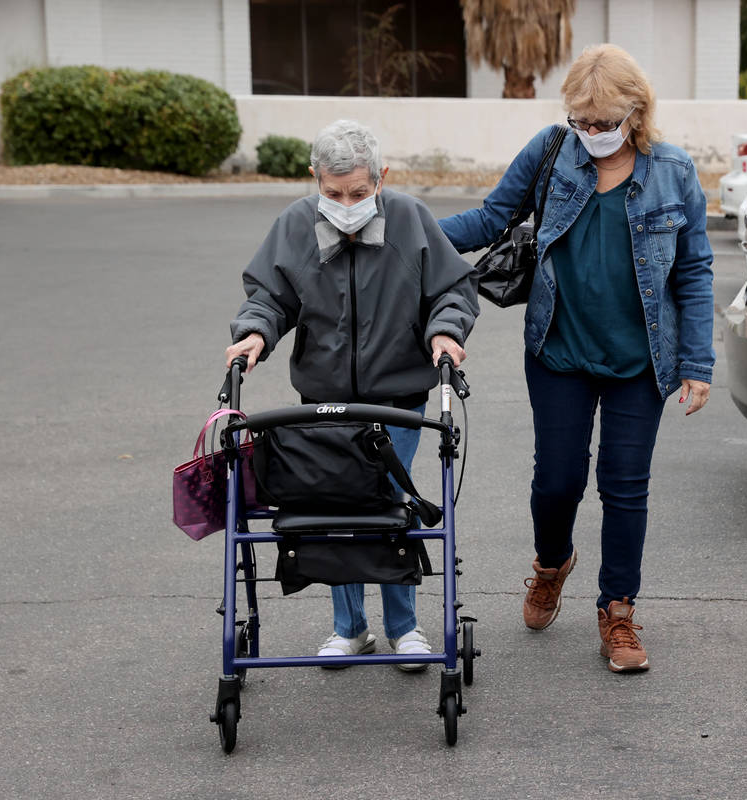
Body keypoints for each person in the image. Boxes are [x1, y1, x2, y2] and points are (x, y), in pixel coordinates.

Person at [439, 44, 714, 673]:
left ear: (635, 114)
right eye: (580, 122)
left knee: (624, 487)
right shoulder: (550, 151)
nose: (590, 133)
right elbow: (490, 218)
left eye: (603, 123)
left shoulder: (673, 172)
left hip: (639, 361)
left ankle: (617, 611)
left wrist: (697, 362)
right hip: (558, 349)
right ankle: (550, 564)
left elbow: (694, 272)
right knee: (558, 479)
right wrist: (403, 229)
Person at [225, 119, 480, 667]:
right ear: (314, 177)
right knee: (333, 507)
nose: (345, 204)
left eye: (359, 193)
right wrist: (254, 333)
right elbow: (270, 296)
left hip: (399, 400)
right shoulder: (295, 224)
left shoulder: (411, 220)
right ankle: (350, 627)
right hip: (322, 403)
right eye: (333, 193)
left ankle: (405, 629)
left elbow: (452, 289)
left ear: (381, 178)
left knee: (386, 506)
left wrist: (444, 331)